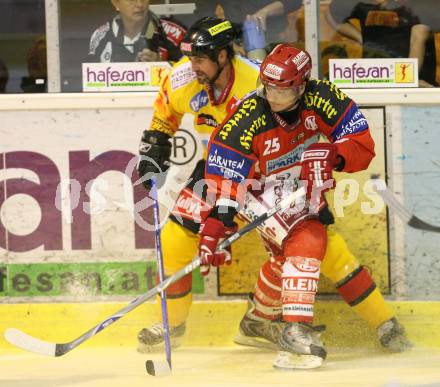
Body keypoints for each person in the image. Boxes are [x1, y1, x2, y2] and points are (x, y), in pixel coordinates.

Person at [136, 18, 411, 356]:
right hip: (227, 168)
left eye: (200, 59)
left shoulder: (258, 78)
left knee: (318, 245)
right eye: (190, 58)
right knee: (176, 235)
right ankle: (172, 325)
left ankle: (377, 321)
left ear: (223, 56)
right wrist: (157, 143)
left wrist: (333, 156)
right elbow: (172, 121)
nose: (193, 67)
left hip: (283, 175)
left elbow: (357, 142)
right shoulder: (185, 78)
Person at [201, 43, 378, 369]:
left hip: (297, 186)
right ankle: (296, 329)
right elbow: (226, 177)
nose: (272, 97)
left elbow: (363, 146)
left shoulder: (324, 97)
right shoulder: (248, 116)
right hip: (254, 189)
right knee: (308, 237)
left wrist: (335, 155)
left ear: (301, 86)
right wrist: (218, 223)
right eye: (267, 87)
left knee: (292, 255)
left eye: (281, 91)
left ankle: (257, 320)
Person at [326, 0, 434, 86]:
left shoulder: (417, 4)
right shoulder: (364, 3)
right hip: (376, 75)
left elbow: (420, 34)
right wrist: (360, 37)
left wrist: (410, 80)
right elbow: (332, 14)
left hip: (412, 78)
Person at [88, 0, 186, 63]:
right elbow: (90, 80)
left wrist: (161, 65)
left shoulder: (175, 34)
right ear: (115, 3)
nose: (139, 4)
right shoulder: (100, 37)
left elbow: (192, 75)